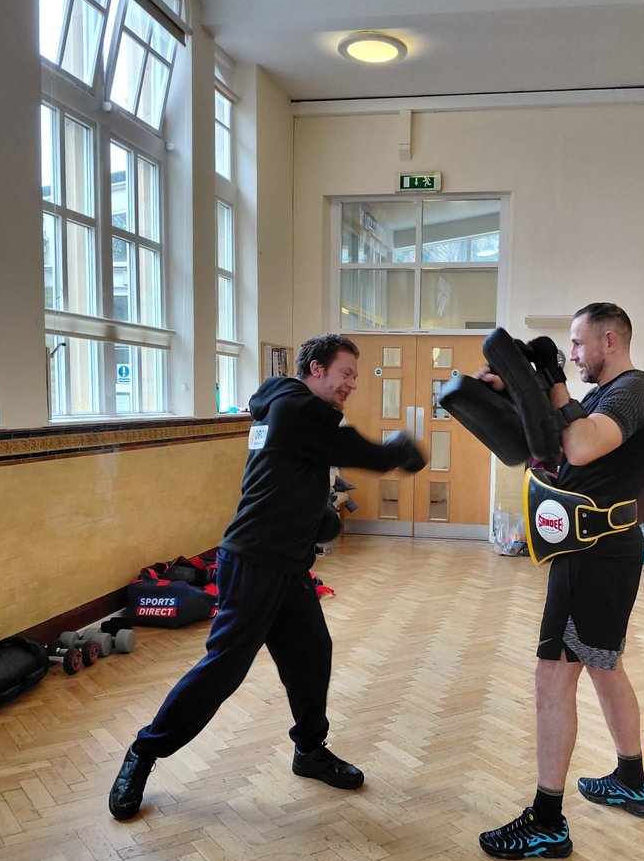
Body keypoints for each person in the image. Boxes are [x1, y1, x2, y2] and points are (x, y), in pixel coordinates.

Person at [108, 333, 425, 820]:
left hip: (287, 564)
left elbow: (284, 475)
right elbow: (364, 452)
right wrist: (401, 449)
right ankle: (143, 753)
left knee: (312, 655)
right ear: (316, 369)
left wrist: (317, 515)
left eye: (355, 378)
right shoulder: (299, 410)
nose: (351, 386)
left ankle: (309, 749)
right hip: (255, 561)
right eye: (346, 374)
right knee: (223, 670)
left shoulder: (281, 409)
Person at [478, 303, 644, 860]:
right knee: (603, 664)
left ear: (610, 340)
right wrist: (519, 392)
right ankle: (632, 779)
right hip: (600, 550)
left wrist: (554, 381)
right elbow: (566, 445)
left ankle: (546, 820)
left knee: (551, 677)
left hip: (594, 553)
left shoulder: (635, 390)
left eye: (579, 345)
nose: (575, 355)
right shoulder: (606, 398)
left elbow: (581, 444)